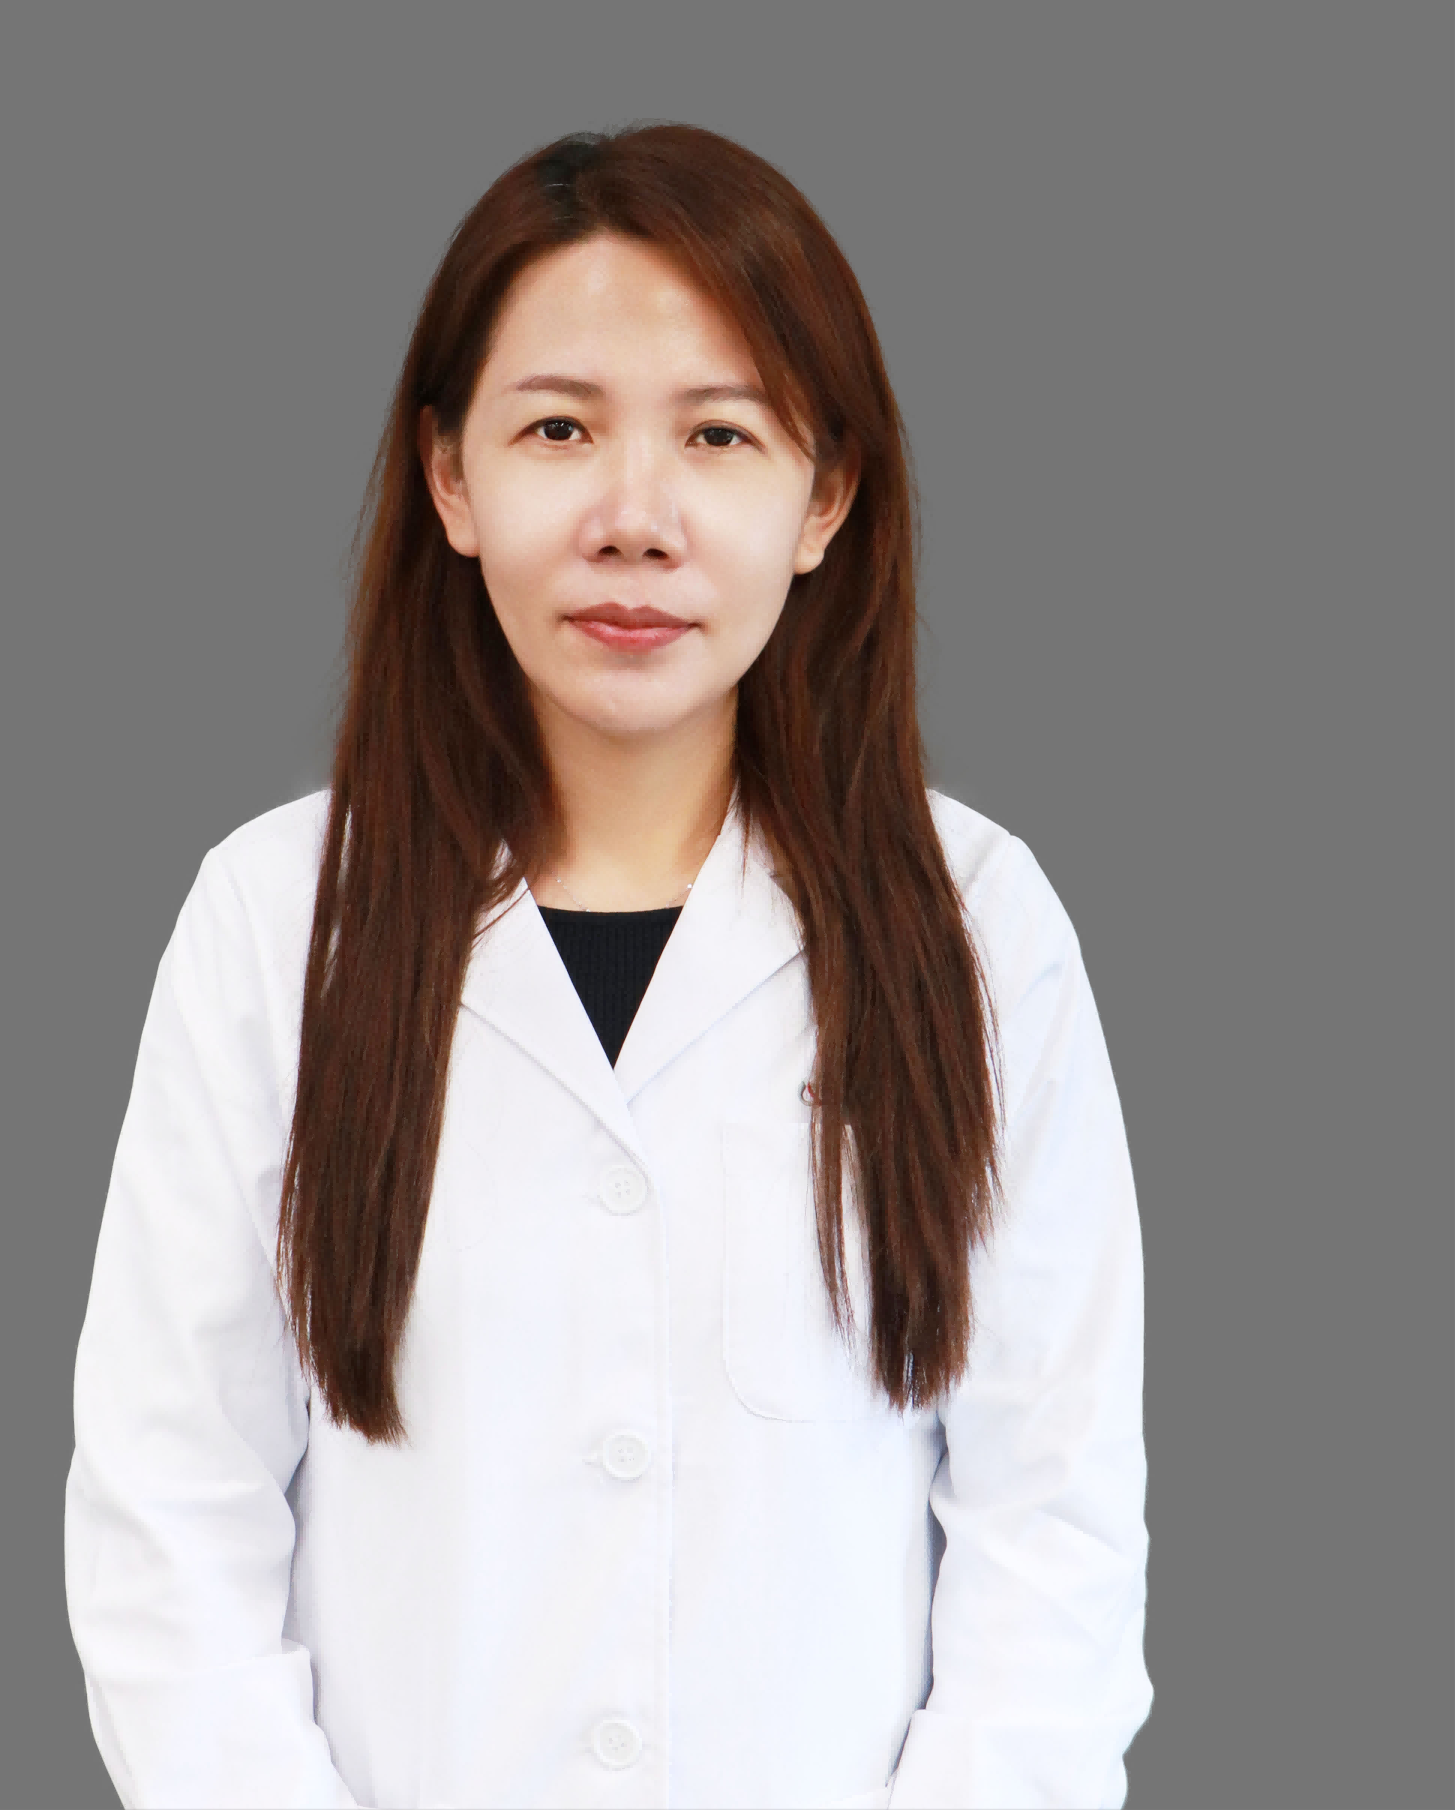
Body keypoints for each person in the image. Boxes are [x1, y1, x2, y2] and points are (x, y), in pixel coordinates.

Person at [65, 122, 1151, 1809]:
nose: (635, 519)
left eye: (719, 434)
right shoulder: (279, 921)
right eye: (559, 428)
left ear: (824, 498)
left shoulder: (979, 924)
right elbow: (170, 1515)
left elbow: (1052, 1532)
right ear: (451, 479)